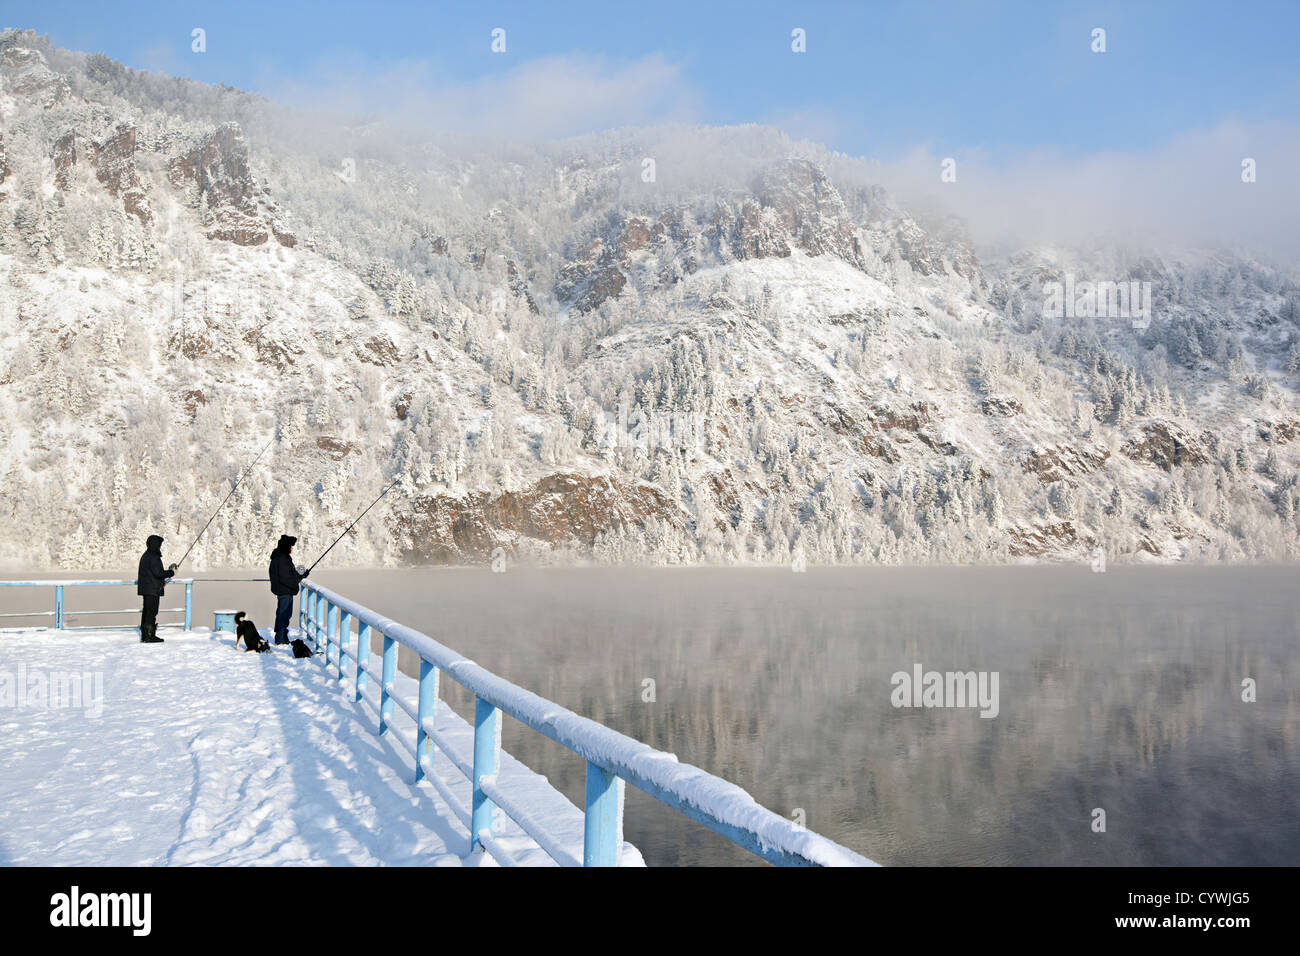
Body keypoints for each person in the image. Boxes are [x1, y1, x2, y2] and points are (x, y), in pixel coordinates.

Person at [269, 534, 308, 645]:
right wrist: (297, 580)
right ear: (286, 546)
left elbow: (288, 575)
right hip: (284, 591)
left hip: (284, 590)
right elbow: (285, 578)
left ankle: (282, 637)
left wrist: (301, 576)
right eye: (291, 546)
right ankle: (280, 638)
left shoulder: (280, 557)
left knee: (284, 614)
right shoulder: (282, 559)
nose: (292, 548)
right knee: (284, 614)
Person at [137, 534, 176, 644]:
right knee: (152, 612)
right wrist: (172, 572)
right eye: (159, 544)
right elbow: (158, 573)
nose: (160, 547)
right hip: (152, 589)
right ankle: (149, 636)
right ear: (155, 545)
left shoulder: (147, 555)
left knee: (147, 612)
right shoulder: (153, 557)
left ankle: (145, 635)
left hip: (148, 589)